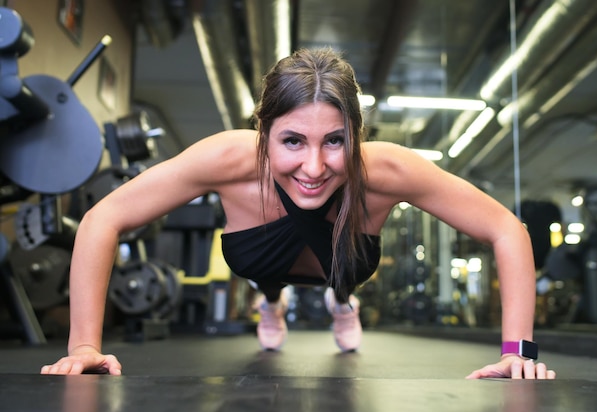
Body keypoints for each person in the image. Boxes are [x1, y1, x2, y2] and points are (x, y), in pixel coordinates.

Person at [41, 47, 555, 379]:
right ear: (263, 133)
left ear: (357, 135)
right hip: (261, 262)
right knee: (268, 275)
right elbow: (102, 219)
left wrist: (518, 351)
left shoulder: (388, 170)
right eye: (292, 141)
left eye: (335, 141)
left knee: (341, 274)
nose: (314, 167)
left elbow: (506, 230)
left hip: (343, 264)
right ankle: (272, 303)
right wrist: (84, 345)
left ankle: (341, 302)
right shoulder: (226, 158)